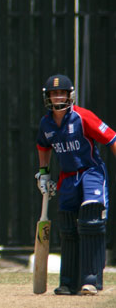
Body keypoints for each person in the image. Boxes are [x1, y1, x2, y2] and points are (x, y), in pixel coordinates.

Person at [35, 74, 116, 295]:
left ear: (70, 95)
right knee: (68, 225)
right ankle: (68, 282)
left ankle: (91, 280)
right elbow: (43, 147)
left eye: (61, 92)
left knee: (90, 219)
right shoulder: (46, 123)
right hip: (67, 176)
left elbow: (111, 138)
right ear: (48, 97)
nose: (57, 96)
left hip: (90, 172)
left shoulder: (82, 117)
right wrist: (44, 174)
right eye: (53, 93)